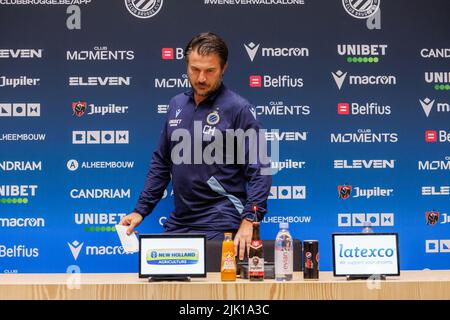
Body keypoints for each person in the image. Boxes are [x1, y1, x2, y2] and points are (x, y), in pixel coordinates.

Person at [120, 32, 272, 260]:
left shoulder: (239, 108)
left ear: (224, 68)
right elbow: (162, 163)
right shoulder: (176, 104)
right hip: (180, 221)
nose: (201, 78)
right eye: (194, 69)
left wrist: (250, 220)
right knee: (169, 288)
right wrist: (141, 210)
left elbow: (261, 170)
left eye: (210, 70)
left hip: (221, 221)